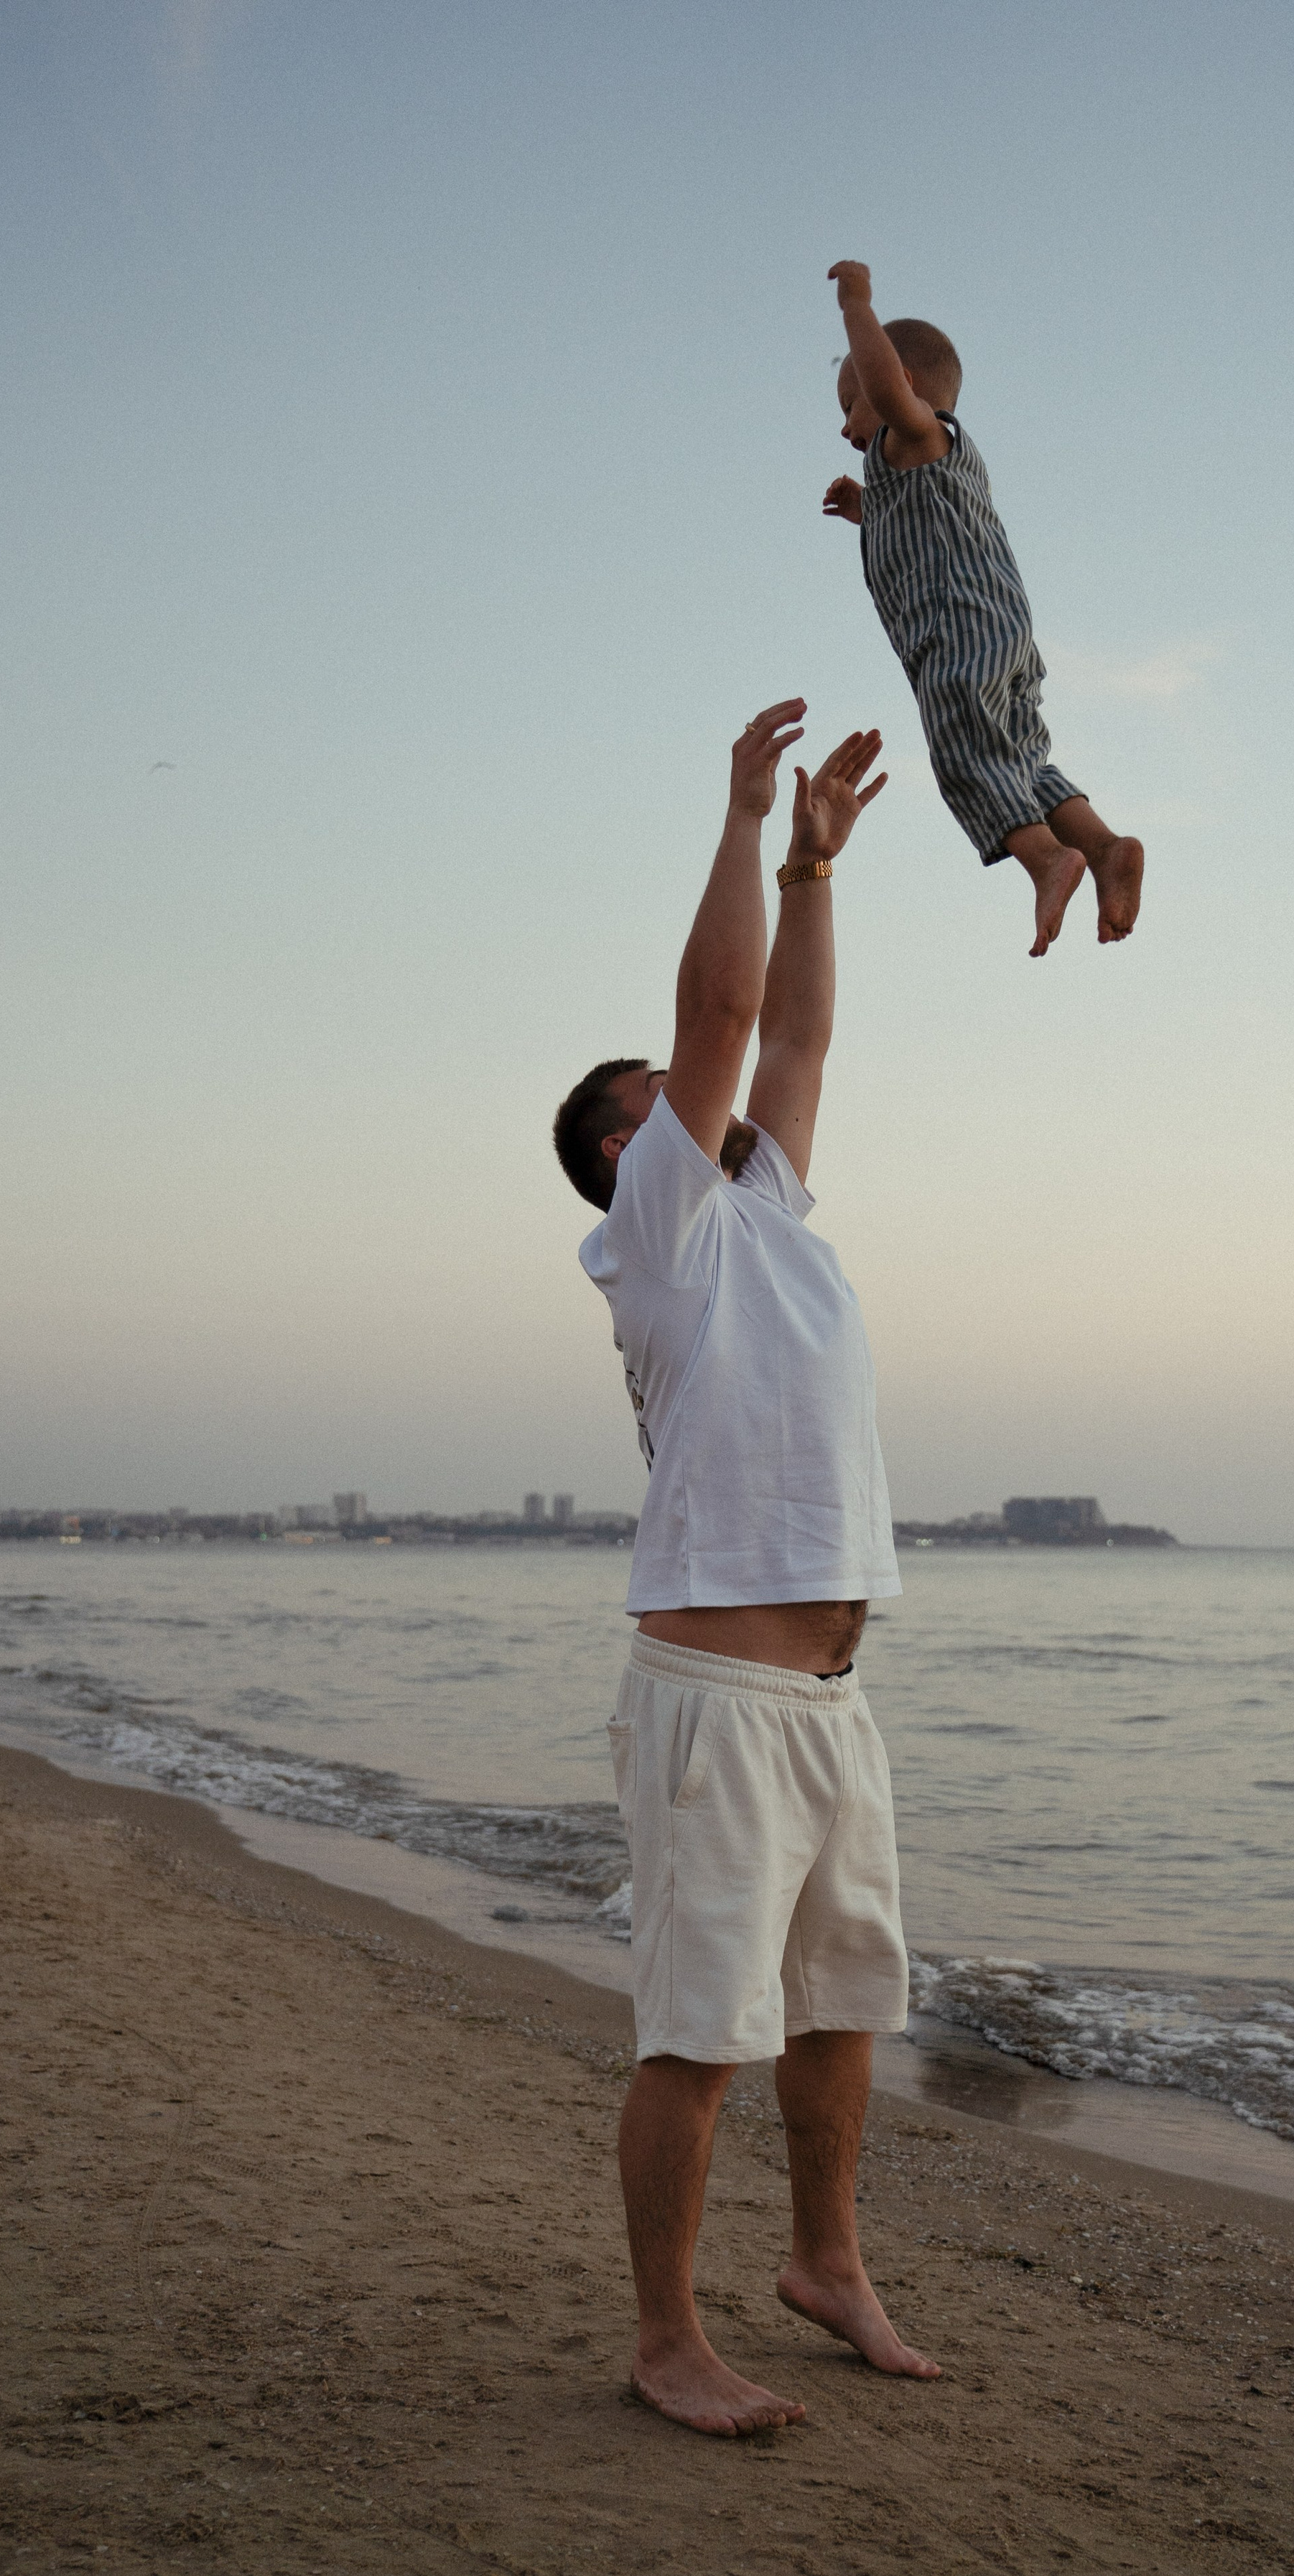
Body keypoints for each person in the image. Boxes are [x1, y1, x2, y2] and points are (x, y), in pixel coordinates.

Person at [553, 698, 941, 2437]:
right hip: (712, 1703)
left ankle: (823, 2263)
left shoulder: (768, 1213)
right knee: (700, 2038)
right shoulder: (656, 1238)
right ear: (623, 1157)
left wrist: (810, 866)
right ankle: (661, 2336)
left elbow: (788, 1033)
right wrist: (731, 821)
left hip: (829, 1703)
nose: (701, 1100)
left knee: (838, 2009)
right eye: (664, 1105)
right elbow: (721, 1013)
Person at [822, 256, 1146, 959]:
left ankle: (1044, 861)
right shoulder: (932, 467)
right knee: (1022, 757)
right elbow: (922, 526)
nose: (847, 428)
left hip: (956, 628)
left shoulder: (914, 433)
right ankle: (1100, 846)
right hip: (999, 631)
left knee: (965, 752)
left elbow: (883, 386)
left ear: (898, 383)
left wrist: (856, 306)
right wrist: (867, 511)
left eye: (850, 403)